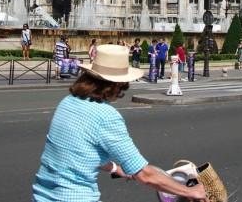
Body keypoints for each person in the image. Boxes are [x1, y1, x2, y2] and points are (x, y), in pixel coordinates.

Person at [31, 44, 208, 202]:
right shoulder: (106, 116)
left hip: (42, 195)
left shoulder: (68, 102)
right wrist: (190, 191)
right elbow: (145, 174)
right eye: (123, 86)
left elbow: (78, 154)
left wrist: (116, 168)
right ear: (114, 85)